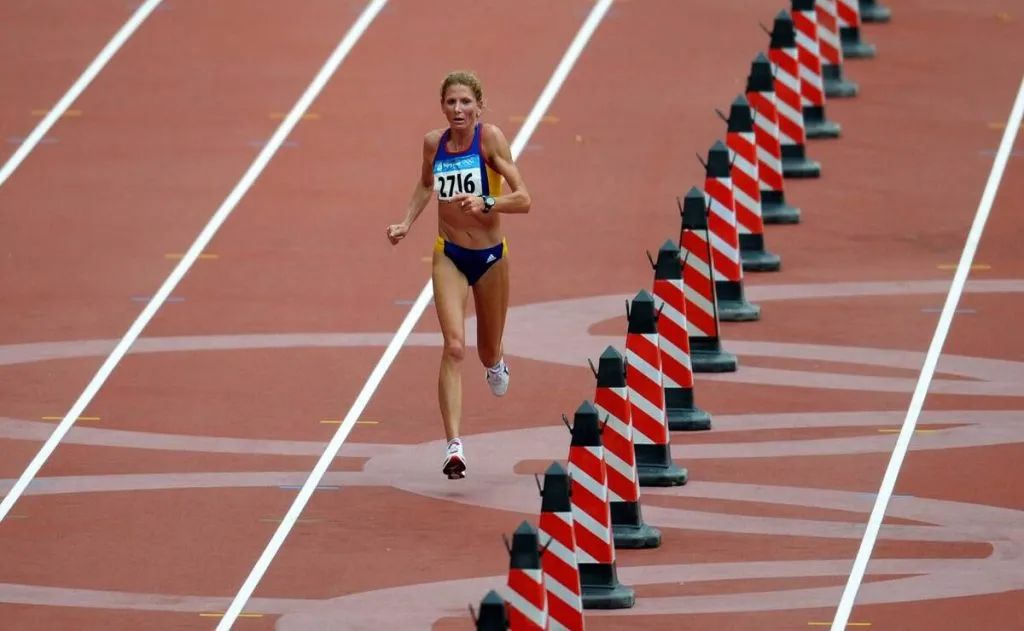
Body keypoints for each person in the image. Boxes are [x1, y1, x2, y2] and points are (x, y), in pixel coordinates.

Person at [386, 70, 532, 480]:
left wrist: (487, 200)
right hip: (448, 253)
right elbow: (425, 184)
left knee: (486, 351)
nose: (458, 109)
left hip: (490, 259)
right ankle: (453, 447)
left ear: (479, 106)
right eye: (451, 102)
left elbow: (523, 199)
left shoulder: (491, 140)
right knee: (453, 347)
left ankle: (497, 361)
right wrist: (406, 222)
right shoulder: (434, 144)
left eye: (466, 102)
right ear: (442, 107)